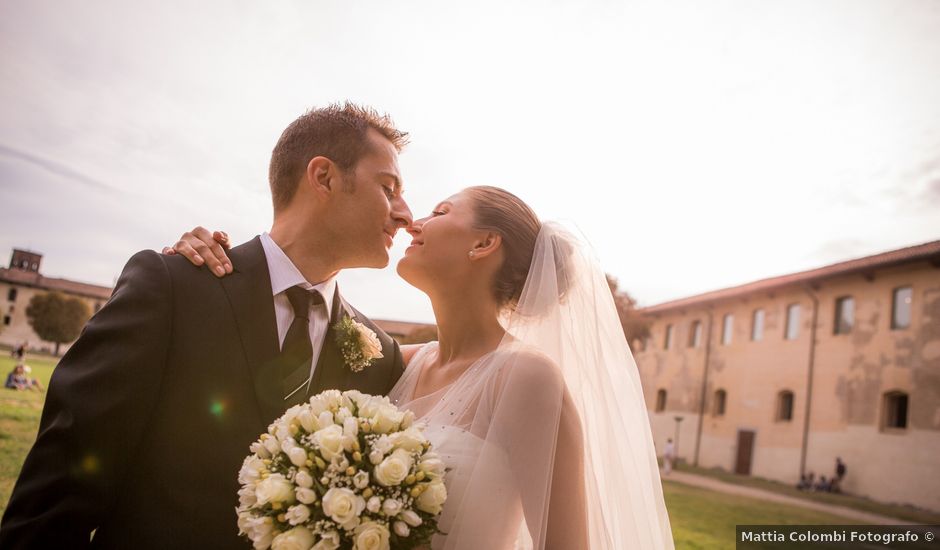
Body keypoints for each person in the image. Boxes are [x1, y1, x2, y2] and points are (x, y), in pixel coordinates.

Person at [0, 103, 413, 548]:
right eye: (389, 188)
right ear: (324, 177)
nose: (405, 214)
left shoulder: (382, 357)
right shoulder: (172, 288)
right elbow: (57, 491)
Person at [177, 186, 675, 548]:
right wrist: (208, 261)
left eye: (439, 212)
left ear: (483, 245)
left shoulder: (527, 377)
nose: (413, 222)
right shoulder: (395, 361)